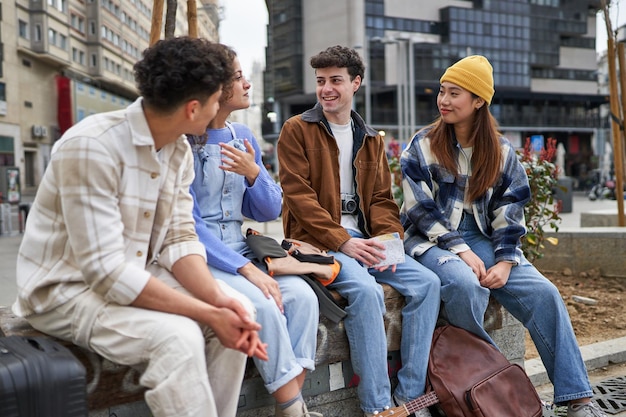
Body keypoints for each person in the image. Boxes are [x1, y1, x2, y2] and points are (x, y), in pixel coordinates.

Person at [13, 37, 268, 417]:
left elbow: (180, 240)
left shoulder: (178, 150)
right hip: (65, 291)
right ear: (193, 108)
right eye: (217, 100)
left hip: (132, 273)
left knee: (240, 308)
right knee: (177, 338)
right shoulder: (91, 146)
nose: (220, 109)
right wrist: (207, 312)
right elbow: (106, 273)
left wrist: (219, 300)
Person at [400, 55, 607, 417]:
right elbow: (419, 210)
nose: (443, 100)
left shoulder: (501, 151)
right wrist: (462, 251)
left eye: (454, 93)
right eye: (442, 92)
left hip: (485, 236)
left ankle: (577, 398)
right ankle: (481, 384)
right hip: (430, 238)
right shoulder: (423, 144)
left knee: (544, 293)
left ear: (478, 101)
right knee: (466, 284)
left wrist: (507, 261)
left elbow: (510, 213)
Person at [277, 45, 440, 417]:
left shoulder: (370, 137)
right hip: (319, 243)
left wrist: (388, 241)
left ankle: (407, 399)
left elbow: (382, 198)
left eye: (335, 80)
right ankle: (377, 407)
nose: (326, 89)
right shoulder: (297, 130)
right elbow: (299, 197)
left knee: (427, 285)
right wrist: (344, 241)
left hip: (365, 241)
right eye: (321, 81)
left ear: (356, 83)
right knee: (367, 293)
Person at [188, 47, 322, 417]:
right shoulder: (186, 142)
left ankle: (289, 404)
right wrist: (241, 267)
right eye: (237, 77)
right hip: (204, 254)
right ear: (215, 87)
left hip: (245, 247)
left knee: (303, 299)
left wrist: (253, 172)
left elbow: (268, 209)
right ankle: (294, 409)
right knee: (262, 304)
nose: (247, 83)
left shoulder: (243, 134)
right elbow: (188, 223)